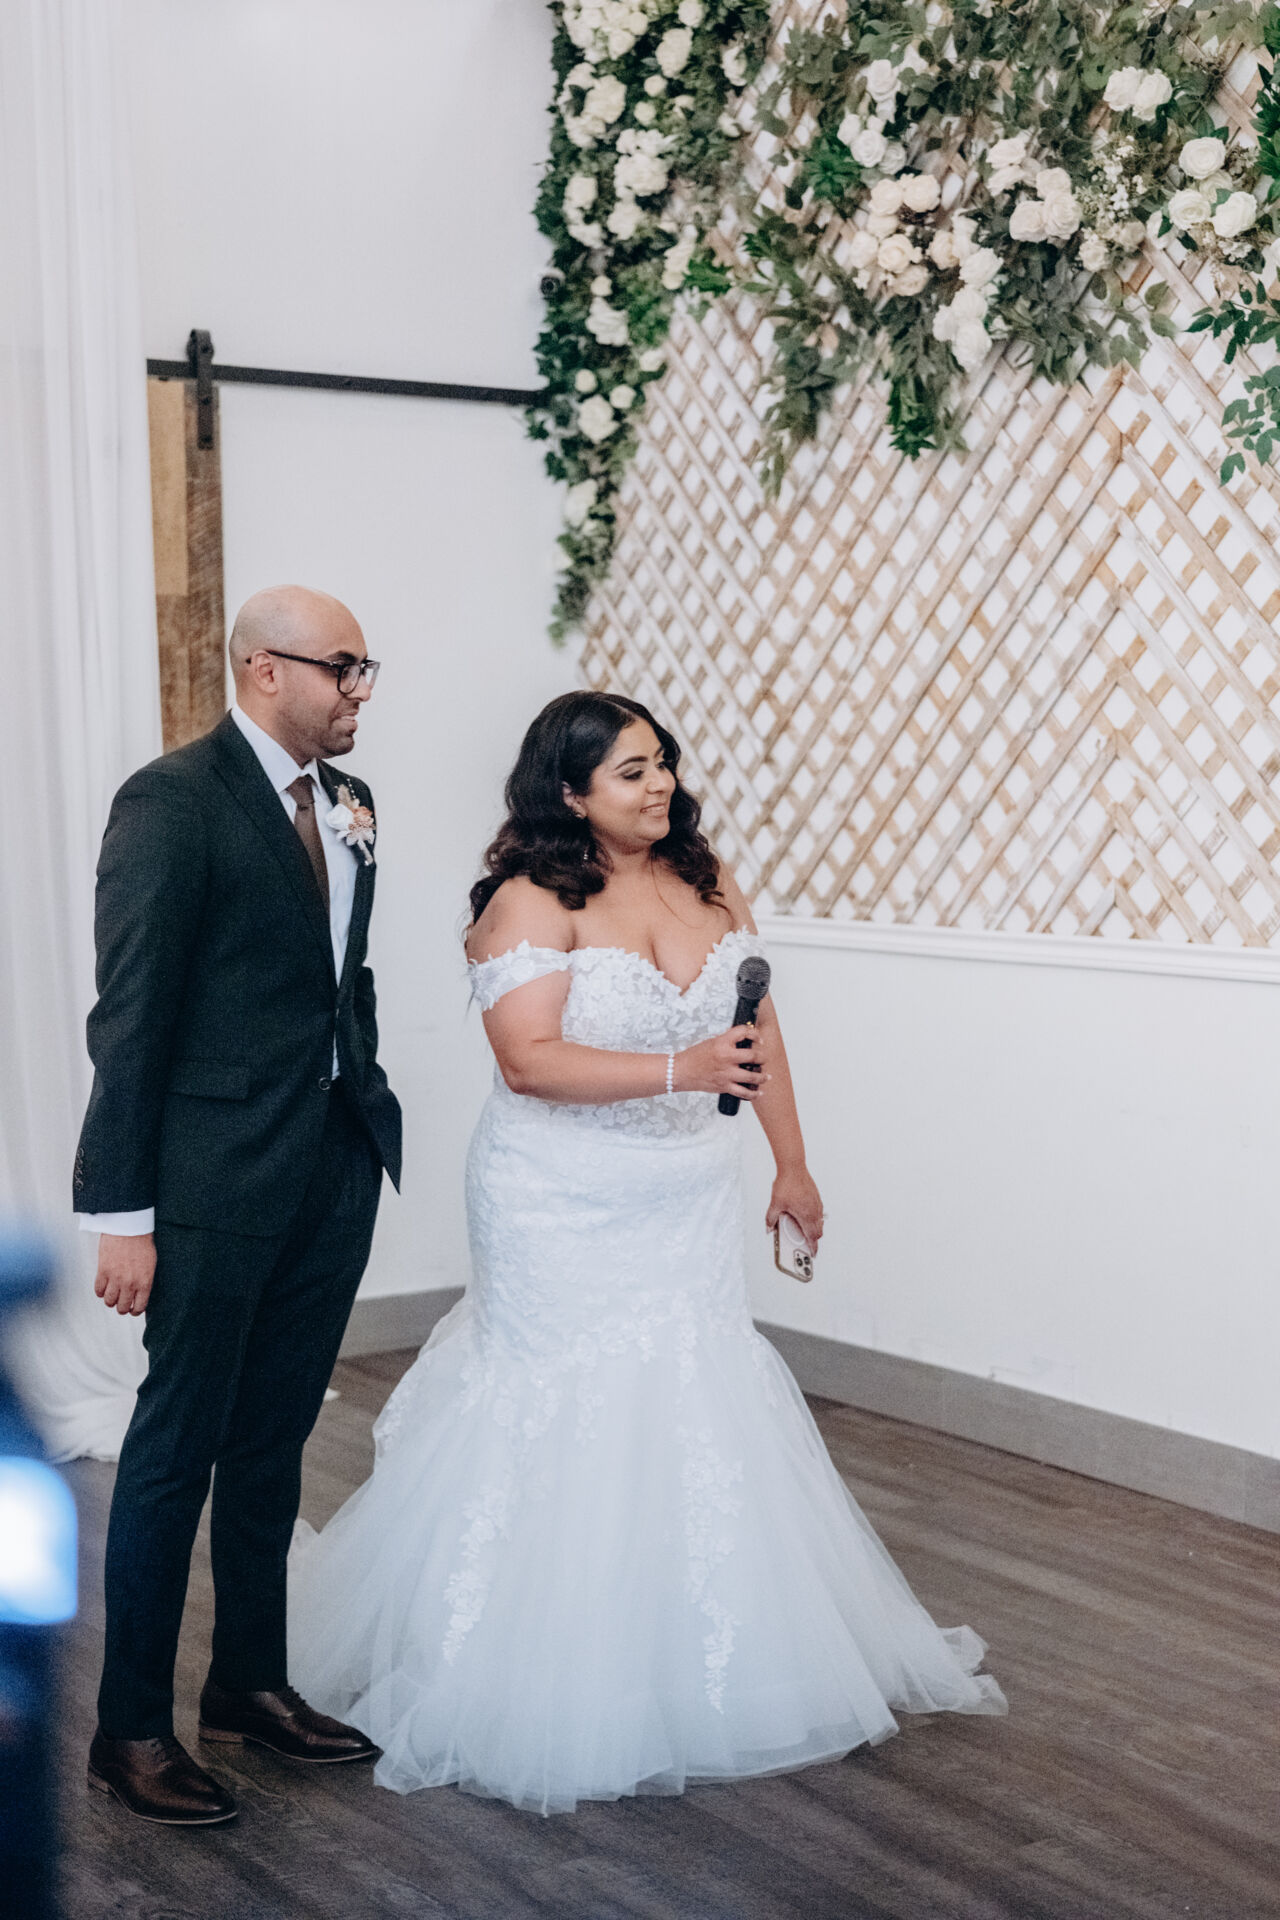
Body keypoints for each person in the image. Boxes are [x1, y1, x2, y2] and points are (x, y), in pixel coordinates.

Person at [288, 690, 1004, 1816]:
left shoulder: (706, 881)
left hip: (686, 1191)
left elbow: (757, 1034)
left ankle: (701, 1656)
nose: (659, 781)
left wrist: (792, 1164)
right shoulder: (527, 901)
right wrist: (684, 1071)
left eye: (661, 760)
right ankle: (540, 1662)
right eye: (630, 770)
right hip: (556, 1197)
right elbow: (529, 1062)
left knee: (693, 1390)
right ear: (569, 793)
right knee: (565, 1401)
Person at [74, 586, 402, 1826]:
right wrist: (121, 1212)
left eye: (366, 669)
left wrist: (361, 1104)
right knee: (174, 1452)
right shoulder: (172, 801)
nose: (360, 689)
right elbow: (130, 1014)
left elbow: (338, 978)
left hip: (329, 1162)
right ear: (264, 669)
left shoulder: (350, 801)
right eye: (342, 667)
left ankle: (248, 1685)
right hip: (210, 1181)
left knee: (272, 1441)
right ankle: (129, 1731)